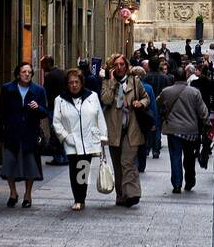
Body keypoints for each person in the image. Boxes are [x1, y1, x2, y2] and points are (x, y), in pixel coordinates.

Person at [52, 68, 108, 210]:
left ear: (82, 83)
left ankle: (81, 198)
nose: (74, 85)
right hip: (72, 141)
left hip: (89, 140)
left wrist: (103, 135)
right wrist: (65, 137)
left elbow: (99, 116)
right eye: (71, 82)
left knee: (83, 169)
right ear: (67, 84)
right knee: (73, 169)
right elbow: (56, 122)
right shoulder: (60, 100)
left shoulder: (92, 96)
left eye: (77, 82)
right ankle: (77, 198)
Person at [0, 62, 48, 208]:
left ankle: (28, 195)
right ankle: (13, 193)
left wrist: (38, 108)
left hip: (30, 133)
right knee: (9, 164)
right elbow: (1, 112)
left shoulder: (38, 90)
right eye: (24, 72)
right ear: (18, 74)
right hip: (12, 132)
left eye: (29, 72)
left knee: (30, 165)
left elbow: (45, 112)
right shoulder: (7, 89)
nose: (27, 74)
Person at [100, 54, 150, 208]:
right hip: (115, 130)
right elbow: (106, 100)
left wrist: (139, 103)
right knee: (117, 165)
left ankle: (133, 194)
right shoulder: (107, 83)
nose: (120, 67)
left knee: (127, 162)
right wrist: (112, 82)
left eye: (122, 64)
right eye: (116, 65)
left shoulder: (135, 82)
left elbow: (146, 98)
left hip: (131, 129)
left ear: (127, 66)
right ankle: (120, 195)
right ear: (112, 67)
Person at [158, 66, 209, 193]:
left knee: (175, 156)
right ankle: (190, 180)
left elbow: (158, 104)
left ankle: (176, 184)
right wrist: (206, 123)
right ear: (185, 76)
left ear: (174, 77)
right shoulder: (194, 92)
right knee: (189, 156)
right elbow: (203, 111)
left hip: (173, 129)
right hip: (190, 130)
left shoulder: (166, 92)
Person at [41, 55, 69, 165]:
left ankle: (58, 157)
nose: (42, 67)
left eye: (43, 65)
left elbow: (45, 93)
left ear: (48, 64)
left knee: (55, 132)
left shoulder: (49, 76)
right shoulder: (62, 73)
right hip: (64, 107)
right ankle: (65, 156)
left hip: (53, 108)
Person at [145, 56, 172, 160]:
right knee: (158, 128)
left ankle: (147, 148)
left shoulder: (146, 77)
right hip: (160, 106)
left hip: (148, 106)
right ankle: (156, 150)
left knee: (148, 128)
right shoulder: (164, 78)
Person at [135, 69, 159, 175]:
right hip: (144, 118)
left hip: (134, 117)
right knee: (143, 141)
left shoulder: (130, 86)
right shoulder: (148, 87)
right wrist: (154, 121)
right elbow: (153, 105)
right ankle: (142, 164)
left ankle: (136, 162)